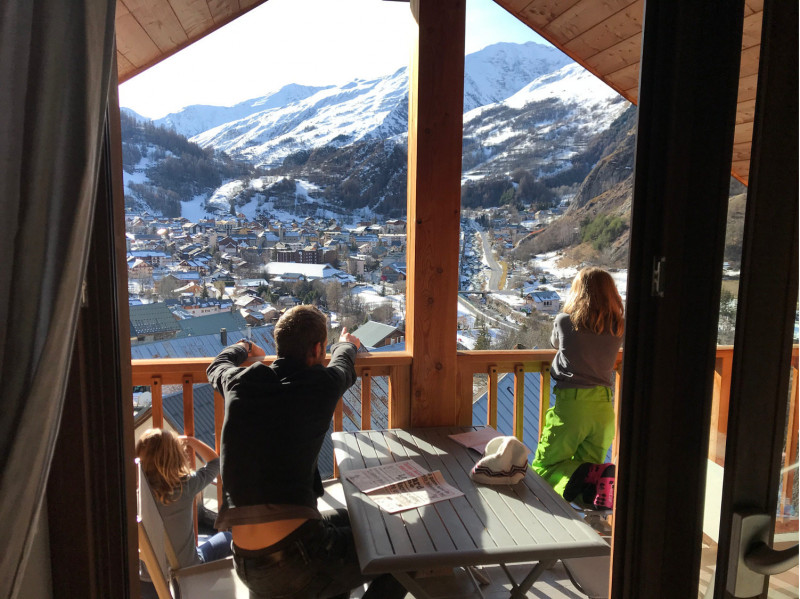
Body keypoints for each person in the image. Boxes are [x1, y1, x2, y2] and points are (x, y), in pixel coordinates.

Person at [207, 305, 406, 599]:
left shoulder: (239, 383)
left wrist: (245, 346)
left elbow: (216, 366)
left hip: (246, 560)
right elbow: (343, 363)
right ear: (316, 349)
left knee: (348, 520)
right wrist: (347, 344)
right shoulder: (319, 385)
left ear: (279, 346)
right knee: (405, 548)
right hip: (295, 558)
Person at [531, 267, 625, 510]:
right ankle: (598, 489)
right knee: (589, 476)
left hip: (573, 405)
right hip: (604, 408)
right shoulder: (618, 326)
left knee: (544, 467)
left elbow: (554, 342)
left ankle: (547, 522)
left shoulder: (565, 321)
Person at [135, 429, 233, 567]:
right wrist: (190, 441)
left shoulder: (137, 495)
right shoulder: (185, 486)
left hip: (149, 574)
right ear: (176, 457)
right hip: (186, 568)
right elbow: (215, 463)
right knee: (227, 537)